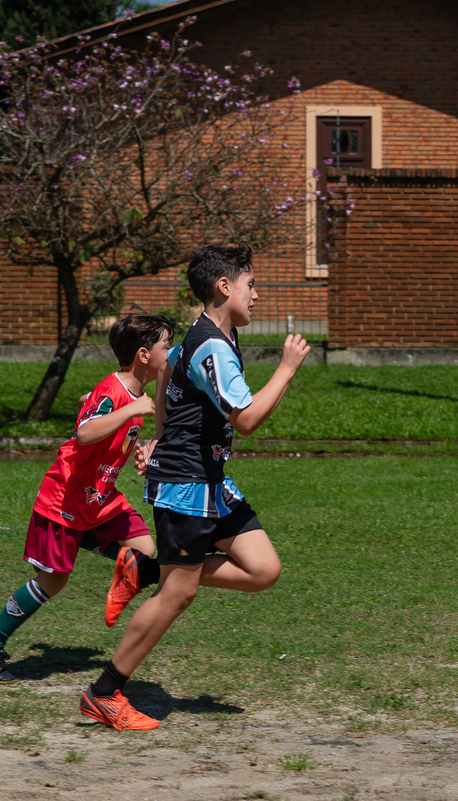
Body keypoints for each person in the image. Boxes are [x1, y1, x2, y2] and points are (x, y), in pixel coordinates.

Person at [79, 244, 311, 731]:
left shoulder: (204, 340)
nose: (257, 294)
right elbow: (245, 419)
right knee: (177, 595)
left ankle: (143, 568)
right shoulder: (212, 345)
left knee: (264, 569)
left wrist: (159, 438)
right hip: (187, 485)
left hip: (208, 480)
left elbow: (167, 371)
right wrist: (287, 368)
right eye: (251, 284)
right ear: (224, 287)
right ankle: (103, 693)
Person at [0, 313, 173, 683]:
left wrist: (141, 450)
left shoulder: (133, 393)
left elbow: (96, 409)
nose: (170, 352)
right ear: (144, 354)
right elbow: (84, 432)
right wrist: (126, 409)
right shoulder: (121, 394)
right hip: (65, 497)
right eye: (166, 346)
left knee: (144, 549)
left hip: (100, 498)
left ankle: (93, 544)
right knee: (53, 582)